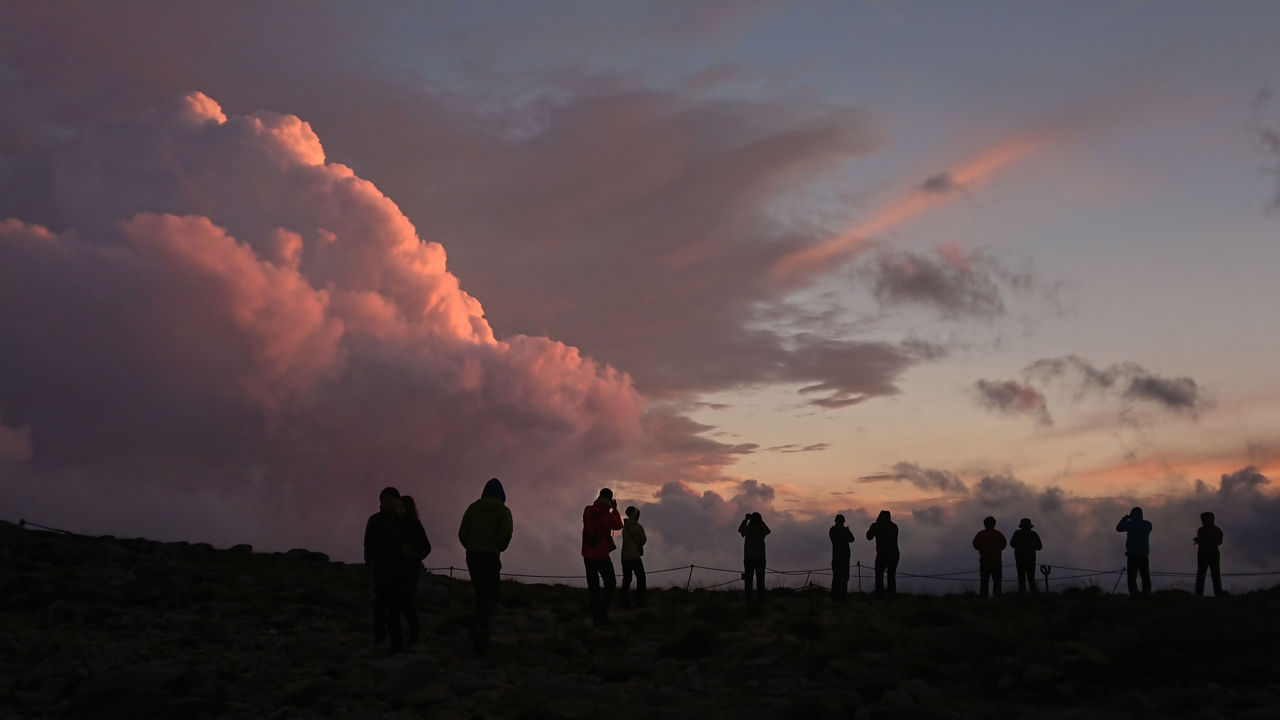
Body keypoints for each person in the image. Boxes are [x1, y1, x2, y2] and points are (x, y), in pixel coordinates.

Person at [458, 478, 513, 651]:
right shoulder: (504, 511)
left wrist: (471, 546)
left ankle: (481, 633)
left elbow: (462, 533)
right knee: (491, 594)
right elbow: (505, 535)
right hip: (490, 556)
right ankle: (481, 627)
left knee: (479, 592)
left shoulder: (472, 508)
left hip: (473, 556)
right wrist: (497, 547)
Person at [364, 486, 408, 651]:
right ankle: (380, 636)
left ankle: (395, 640)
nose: (389, 501)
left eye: (393, 498)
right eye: (386, 498)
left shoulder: (402, 520)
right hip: (381, 567)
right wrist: (370, 562)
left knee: (394, 605)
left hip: (398, 567)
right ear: (381, 501)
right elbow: (368, 543)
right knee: (381, 603)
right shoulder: (375, 520)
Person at [582, 488, 623, 626]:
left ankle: (595, 617)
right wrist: (615, 509)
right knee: (610, 583)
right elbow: (619, 525)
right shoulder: (606, 515)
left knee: (593, 586)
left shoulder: (588, 510)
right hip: (601, 555)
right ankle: (603, 614)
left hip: (587, 554)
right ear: (610, 499)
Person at [398, 496, 432, 644]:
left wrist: (414, 555)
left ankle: (413, 630)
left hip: (410, 569)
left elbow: (426, 547)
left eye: (401, 506)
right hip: (395, 568)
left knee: (408, 601)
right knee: (397, 601)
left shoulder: (415, 525)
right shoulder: (393, 525)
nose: (398, 509)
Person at [1116, 507, 1153, 596]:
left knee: (1132, 577)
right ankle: (1146, 594)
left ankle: (1134, 594)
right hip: (1144, 554)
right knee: (1145, 576)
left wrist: (1125, 518)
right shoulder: (1147, 524)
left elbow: (1118, 528)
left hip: (1132, 555)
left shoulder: (1130, 524)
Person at [738, 512, 771, 601]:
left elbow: (740, 530)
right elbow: (768, 531)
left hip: (749, 558)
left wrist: (746, 520)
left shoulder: (748, 529)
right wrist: (761, 522)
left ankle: (749, 599)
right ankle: (761, 598)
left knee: (748, 580)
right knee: (760, 580)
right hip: (760, 558)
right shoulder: (761, 529)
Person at [866, 510, 899, 595]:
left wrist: (872, 528)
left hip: (882, 554)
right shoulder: (894, 526)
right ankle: (891, 594)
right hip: (894, 553)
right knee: (891, 575)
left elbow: (869, 537)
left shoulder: (876, 526)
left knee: (879, 574)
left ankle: (879, 594)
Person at [972, 516, 1007, 598]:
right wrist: (997, 550)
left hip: (985, 560)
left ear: (985, 524)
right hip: (996, 560)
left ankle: (984, 597)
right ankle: (997, 596)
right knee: (997, 580)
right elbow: (1003, 544)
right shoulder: (998, 534)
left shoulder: (981, 534)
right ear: (994, 524)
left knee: (984, 580)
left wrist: (982, 549)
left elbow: (975, 544)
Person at [620, 506, 647, 607]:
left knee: (627, 579)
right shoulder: (637, 526)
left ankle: (624, 600)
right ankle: (639, 600)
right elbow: (643, 540)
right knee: (641, 578)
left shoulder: (625, 526)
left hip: (624, 556)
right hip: (635, 556)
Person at [1194, 511, 1223, 597]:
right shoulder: (1214, 530)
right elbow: (1219, 541)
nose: (1202, 521)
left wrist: (1202, 540)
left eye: (1204, 519)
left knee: (1207, 575)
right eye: (1202, 519)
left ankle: (1200, 595)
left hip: (1207, 555)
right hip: (1207, 555)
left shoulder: (1202, 530)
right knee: (1211, 575)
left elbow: (1219, 542)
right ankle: (1217, 595)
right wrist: (1199, 540)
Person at [1009, 518, 1043, 594]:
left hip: (1020, 558)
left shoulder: (1017, 533)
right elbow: (1039, 547)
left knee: (1021, 577)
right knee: (1031, 577)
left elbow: (1012, 544)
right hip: (1031, 559)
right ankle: (1034, 594)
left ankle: (1022, 594)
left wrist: (1020, 547)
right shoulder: (1033, 534)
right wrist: (1031, 547)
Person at [829, 514, 855, 599]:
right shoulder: (839, 531)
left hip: (838, 557)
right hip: (843, 557)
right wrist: (846, 531)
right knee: (843, 577)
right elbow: (852, 539)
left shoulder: (833, 530)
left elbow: (852, 539)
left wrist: (846, 531)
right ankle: (841, 595)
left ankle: (836, 595)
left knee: (838, 577)